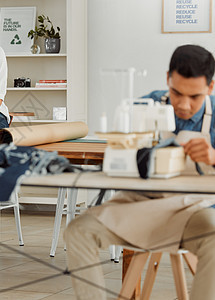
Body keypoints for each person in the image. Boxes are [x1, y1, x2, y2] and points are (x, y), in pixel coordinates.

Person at [65, 44, 215, 300]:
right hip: (143, 205)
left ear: (210, 88)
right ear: (168, 78)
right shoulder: (146, 106)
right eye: (177, 93)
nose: (184, 105)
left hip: (194, 209)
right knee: (78, 231)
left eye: (195, 97)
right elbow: (120, 154)